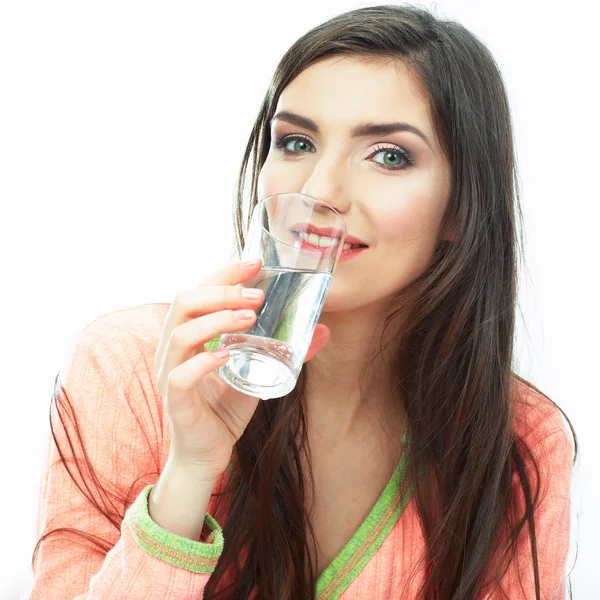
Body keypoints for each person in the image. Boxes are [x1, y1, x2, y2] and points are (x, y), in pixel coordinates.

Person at [28, 4, 577, 600]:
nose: (317, 192)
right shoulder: (130, 371)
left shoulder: (519, 441)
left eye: (388, 155)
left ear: (462, 204)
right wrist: (186, 477)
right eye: (295, 142)